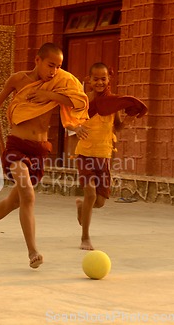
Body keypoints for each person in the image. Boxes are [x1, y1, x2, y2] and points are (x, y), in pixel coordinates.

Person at [0, 43, 88, 269]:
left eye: (58, 66)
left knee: (15, 201)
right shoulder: (18, 80)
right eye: (50, 65)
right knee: (29, 196)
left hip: (40, 150)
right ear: (37, 60)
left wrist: (47, 93)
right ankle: (33, 251)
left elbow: (76, 101)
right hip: (17, 145)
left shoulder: (59, 83)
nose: (54, 71)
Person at [69, 62, 147, 250]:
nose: (100, 82)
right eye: (96, 79)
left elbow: (117, 127)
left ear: (108, 79)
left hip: (104, 156)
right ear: (89, 80)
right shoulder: (84, 100)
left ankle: (81, 207)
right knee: (90, 192)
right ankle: (85, 237)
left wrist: (128, 120)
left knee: (100, 201)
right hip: (85, 153)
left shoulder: (113, 103)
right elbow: (70, 121)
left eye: (103, 78)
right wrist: (76, 128)